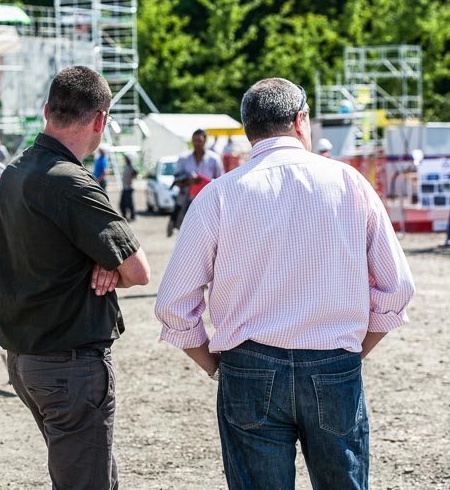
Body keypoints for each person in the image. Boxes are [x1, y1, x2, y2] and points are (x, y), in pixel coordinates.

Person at [154, 77, 415, 489]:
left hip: (248, 365)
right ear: (301, 120)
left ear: (247, 130)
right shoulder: (349, 184)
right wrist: (353, 352)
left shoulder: (219, 195)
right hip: (333, 360)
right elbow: (396, 287)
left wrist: (215, 368)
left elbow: (173, 305)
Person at [0, 65, 151, 490]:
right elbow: (138, 271)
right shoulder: (70, 182)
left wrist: (101, 260)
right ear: (101, 120)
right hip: (69, 364)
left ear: (47, 110)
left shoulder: (14, 172)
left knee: (94, 474)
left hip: (27, 360)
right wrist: (108, 262)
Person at [167, 128, 223, 237]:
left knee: (205, 234)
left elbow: (220, 181)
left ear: (205, 141)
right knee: (185, 232)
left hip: (206, 203)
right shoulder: (183, 158)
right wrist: (189, 181)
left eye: (199, 141)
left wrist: (206, 182)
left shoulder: (214, 159)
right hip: (186, 202)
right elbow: (176, 180)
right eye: (194, 141)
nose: (196, 144)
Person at [119, 153, 138, 221]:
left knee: (129, 203)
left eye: (125, 157)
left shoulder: (131, 166)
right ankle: (124, 216)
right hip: (125, 187)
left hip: (129, 188)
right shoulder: (126, 166)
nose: (124, 159)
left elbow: (136, 173)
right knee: (122, 204)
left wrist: (131, 179)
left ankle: (132, 216)